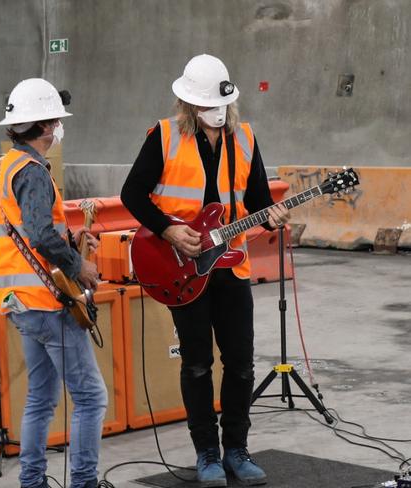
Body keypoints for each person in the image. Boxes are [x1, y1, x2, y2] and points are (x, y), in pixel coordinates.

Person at [121, 54, 290, 487]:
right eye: (202, 108)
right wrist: (171, 231)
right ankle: (206, 455)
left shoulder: (246, 139)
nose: (212, 116)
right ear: (188, 104)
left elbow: (255, 199)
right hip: (184, 267)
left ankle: (236, 449)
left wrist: (270, 215)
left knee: (241, 364)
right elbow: (133, 194)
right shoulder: (163, 137)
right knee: (196, 364)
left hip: (231, 267)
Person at [0, 78, 107, 488]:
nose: (58, 128)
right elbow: (37, 233)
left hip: (21, 301)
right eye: (55, 120)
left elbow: (27, 234)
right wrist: (79, 265)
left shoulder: (5, 167)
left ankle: (33, 483)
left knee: (40, 398)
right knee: (91, 398)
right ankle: (84, 483)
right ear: (43, 126)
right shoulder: (34, 172)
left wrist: (69, 240)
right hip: (49, 303)